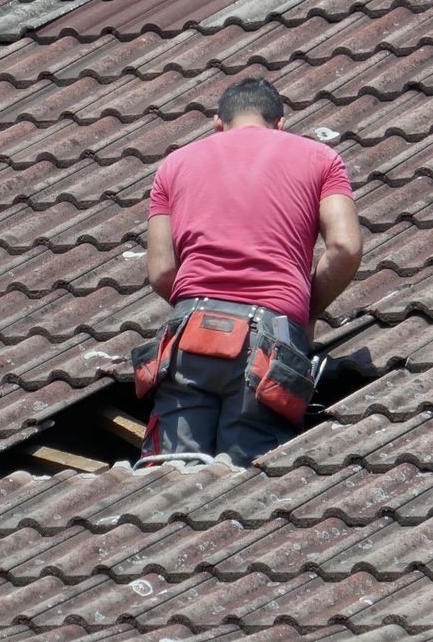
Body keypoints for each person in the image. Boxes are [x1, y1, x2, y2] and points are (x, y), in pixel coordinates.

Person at [133, 77, 363, 465]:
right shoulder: (321, 159)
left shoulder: (174, 165)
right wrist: (302, 310)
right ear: (280, 123)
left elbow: (161, 271)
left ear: (217, 123)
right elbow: (344, 247)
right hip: (269, 340)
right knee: (248, 483)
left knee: (169, 479)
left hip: (190, 334)